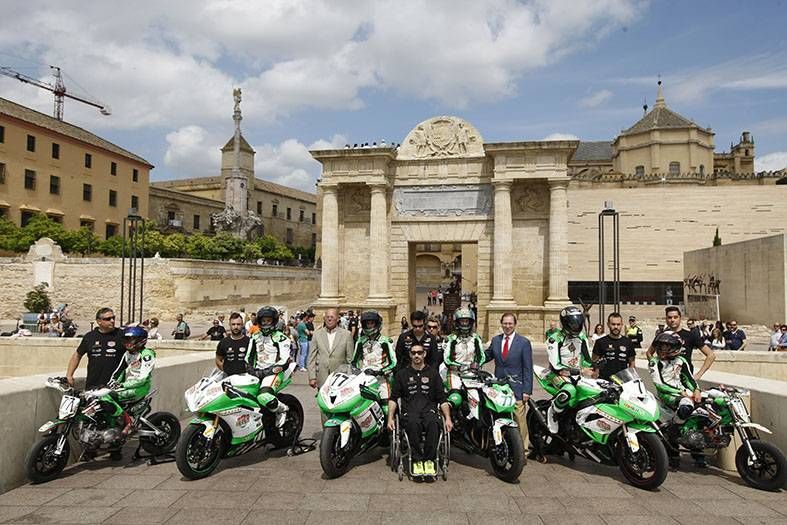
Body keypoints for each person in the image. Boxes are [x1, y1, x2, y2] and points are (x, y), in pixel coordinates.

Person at [388, 344, 453, 480]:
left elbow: (442, 399)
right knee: (413, 423)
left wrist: (448, 418)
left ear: (424, 354)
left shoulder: (433, 374)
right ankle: (417, 461)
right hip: (409, 412)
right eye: (413, 353)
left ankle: (429, 461)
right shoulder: (402, 375)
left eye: (419, 352)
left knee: (433, 423)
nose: (416, 355)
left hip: (429, 411)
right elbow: (393, 399)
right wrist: (390, 418)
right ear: (410, 355)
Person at [648, 331, 702, 469]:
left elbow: (688, 378)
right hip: (668, 394)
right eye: (661, 346)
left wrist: (696, 390)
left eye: (667, 347)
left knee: (702, 413)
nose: (662, 350)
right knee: (686, 407)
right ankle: (673, 432)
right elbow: (659, 383)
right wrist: (681, 393)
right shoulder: (655, 362)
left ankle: (698, 452)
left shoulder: (681, 361)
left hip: (683, 392)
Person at [485, 313, 533, 452]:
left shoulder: (523, 342)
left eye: (510, 323)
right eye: (505, 323)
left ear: (515, 324)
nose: (507, 326)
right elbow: (487, 355)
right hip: (499, 385)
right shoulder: (495, 340)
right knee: (500, 416)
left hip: (517, 386)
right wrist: (474, 359)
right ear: (501, 324)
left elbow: (527, 368)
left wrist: (527, 390)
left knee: (519, 418)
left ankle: (523, 450)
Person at [100, 325, 155, 441]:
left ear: (141, 340)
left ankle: (128, 424)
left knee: (107, 396)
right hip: (127, 386)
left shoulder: (147, 354)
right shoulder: (127, 354)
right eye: (126, 340)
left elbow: (143, 378)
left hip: (139, 388)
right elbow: (119, 371)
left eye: (131, 340)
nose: (128, 343)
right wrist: (111, 383)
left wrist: (122, 385)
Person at [545, 306, 592, 434]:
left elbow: (588, 358)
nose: (576, 326)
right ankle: (553, 411)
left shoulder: (582, 337)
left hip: (578, 375)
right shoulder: (555, 338)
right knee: (569, 390)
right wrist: (580, 371)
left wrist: (596, 365)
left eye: (578, 323)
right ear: (565, 323)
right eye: (573, 323)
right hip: (557, 375)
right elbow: (556, 365)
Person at [245, 306, 292, 426]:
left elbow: (285, 358)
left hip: (274, 372)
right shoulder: (255, 336)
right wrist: (250, 369)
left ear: (274, 321)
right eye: (263, 321)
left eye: (268, 320)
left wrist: (273, 369)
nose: (265, 323)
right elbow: (248, 356)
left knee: (264, 396)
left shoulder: (281, 338)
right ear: (259, 321)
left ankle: (282, 409)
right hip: (256, 372)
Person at [646, 306, 716, 380]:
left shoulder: (690, 335)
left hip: (685, 379)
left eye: (675, 317)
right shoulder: (662, 336)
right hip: (666, 379)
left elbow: (711, 355)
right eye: (669, 317)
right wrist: (655, 366)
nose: (672, 320)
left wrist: (699, 375)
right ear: (666, 319)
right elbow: (649, 353)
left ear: (680, 318)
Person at [66, 307, 124, 389]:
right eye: (108, 319)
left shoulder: (122, 335)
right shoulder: (90, 337)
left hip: (115, 386)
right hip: (93, 385)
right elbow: (77, 355)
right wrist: (69, 375)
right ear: (99, 321)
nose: (112, 321)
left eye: (113, 318)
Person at [442, 308, 484, 409]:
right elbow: (447, 358)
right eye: (462, 321)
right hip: (455, 373)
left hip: (471, 373)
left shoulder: (476, 338)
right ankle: (452, 420)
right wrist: (459, 366)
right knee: (455, 398)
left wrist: (477, 364)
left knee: (479, 398)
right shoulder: (451, 339)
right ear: (457, 322)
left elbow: (481, 356)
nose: (465, 324)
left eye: (467, 321)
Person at [351, 310, 396, 403]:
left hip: (382, 378)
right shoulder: (360, 341)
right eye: (367, 323)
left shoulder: (385, 341)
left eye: (372, 323)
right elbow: (354, 362)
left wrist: (380, 372)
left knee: (386, 406)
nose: (370, 326)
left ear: (377, 324)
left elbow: (393, 362)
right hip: (365, 378)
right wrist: (359, 372)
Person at [308, 308, 354, 389]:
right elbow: (312, 357)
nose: (329, 319)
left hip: (340, 378)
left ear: (337, 319)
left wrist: (351, 377)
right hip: (322, 377)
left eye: (332, 317)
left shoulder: (346, 335)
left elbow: (350, 359)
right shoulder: (317, 334)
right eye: (327, 317)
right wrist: (312, 377)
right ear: (324, 318)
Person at [592, 312, 636, 381]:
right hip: (604, 382)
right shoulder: (600, 342)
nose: (616, 327)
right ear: (608, 324)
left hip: (622, 383)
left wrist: (630, 380)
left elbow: (632, 364)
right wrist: (596, 373)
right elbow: (594, 361)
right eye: (613, 324)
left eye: (618, 324)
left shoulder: (628, 342)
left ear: (622, 325)